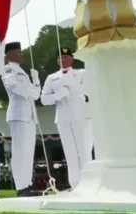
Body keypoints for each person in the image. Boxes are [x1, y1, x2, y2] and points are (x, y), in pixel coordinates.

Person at [41, 47, 89, 190]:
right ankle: (74, 184)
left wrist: (71, 85)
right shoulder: (52, 77)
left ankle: (88, 182)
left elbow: (87, 91)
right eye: (60, 57)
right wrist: (58, 95)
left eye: (66, 57)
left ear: (72, 59)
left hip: (79, 114)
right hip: (62, 116)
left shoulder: (81, 73)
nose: (63, 59)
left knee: (83, 149)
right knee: (69, 151)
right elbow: (44, 99)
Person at [1, 41, 41, 196]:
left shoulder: (22, 72)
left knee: (28, 151)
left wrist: (36, 81)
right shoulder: (8, 69)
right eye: (18, 52)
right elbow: (14, 88)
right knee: (19, 152)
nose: (21, 54)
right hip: (18, 115)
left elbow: (36, 94)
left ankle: (27, 184)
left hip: (29, 116)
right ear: (9, 54)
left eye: (21, 52)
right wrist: (30, 90)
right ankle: (20, 186)